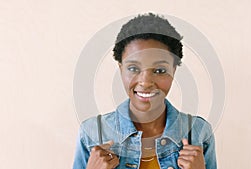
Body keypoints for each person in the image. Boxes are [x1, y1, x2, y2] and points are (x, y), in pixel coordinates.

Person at [73, 13, 217, 169]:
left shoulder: (198, 132)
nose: (146, 82)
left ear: (173, 70)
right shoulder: (92, 133)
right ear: (121, 69)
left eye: (160, 70)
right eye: (133, 68)